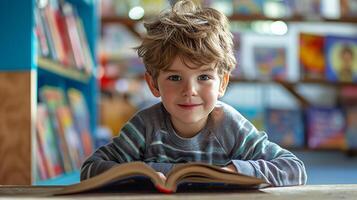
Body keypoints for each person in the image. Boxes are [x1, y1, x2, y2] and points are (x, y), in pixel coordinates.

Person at [81, 0, 307, 186]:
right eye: (175, 78)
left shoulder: (230, 126)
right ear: (153, 84)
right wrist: (147, 172)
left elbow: (294, 168)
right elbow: (90, 169)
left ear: (222, 83)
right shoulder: (144, 126)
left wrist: (232, 171)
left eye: (204, 77)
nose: (189, 91)